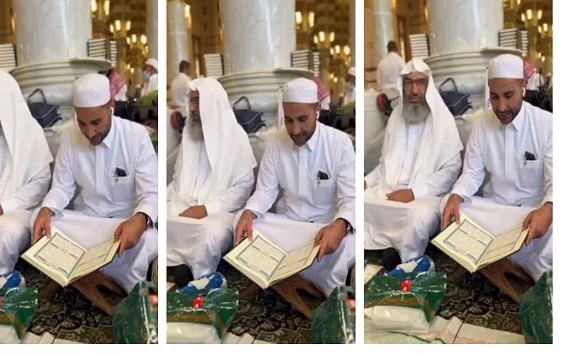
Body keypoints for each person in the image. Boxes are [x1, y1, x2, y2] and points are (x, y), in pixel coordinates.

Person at [31, 73, 158, 292]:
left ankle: (83, 270)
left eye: (96, 123)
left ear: (110, 106)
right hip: (86, 224)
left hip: (122, 226)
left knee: (149, 239)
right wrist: (47, 209)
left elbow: (151, 193)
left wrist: (139, 220)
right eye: (82, 123)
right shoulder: (69, 137)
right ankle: (106, 271)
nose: (89, 132)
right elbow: (62, 187)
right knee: (37, 219)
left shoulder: (136, 137)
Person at [234, 78, 355, 297]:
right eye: (289, 120)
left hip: (323, 230)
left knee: (351, 240)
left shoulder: (339, 144)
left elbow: (351, 198)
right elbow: (265, 191)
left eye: (302, 120)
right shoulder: (275, 143)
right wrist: (249, 212)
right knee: (242, 222)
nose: (295, 130)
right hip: (288, 227)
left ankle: (285, 273)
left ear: (317, 110)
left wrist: (340, 226)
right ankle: (309, 275)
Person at [442, 54, 552, 282]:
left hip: (530, 215)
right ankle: (515, 258)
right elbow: (472, 174)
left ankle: (502, 258)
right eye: (494, 97)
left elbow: (555, 181)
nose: (501, 107)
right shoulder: (481, 124)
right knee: (447, 205)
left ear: (523, 86)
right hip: (495, 211)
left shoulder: (548, 124)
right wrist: (456, 195)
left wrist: (548, 209)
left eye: (508, 96)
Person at [364, 59, 463, 269]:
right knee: (354, 201)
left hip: (425, 197)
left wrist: (413, 193)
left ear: (429, 86)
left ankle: (407, 261)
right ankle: (386, 247)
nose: (414, 90)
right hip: (388, 192)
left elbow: (451, 171)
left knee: (417, 219)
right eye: (409, 83)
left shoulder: (443, 120)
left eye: (420, 83)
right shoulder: (396, 118)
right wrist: (365, 181)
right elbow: (383, 165)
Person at [167, 78, 256, 284]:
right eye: (191, 101)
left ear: (212, 103)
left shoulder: (236, 138)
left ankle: (199, 279)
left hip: (219, 213)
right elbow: (176, 181)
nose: (192, 108)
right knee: (153, 220)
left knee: (208, 235)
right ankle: (175, 267)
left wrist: (206, 209)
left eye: (197, 101)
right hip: (181, 206)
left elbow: (243, 188)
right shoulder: (190, 135)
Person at [0, 70, 53, 286]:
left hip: (16, 211)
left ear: (7, 96)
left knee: (5, 234)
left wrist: (2, 207)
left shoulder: (31, 132)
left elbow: (40, 184)